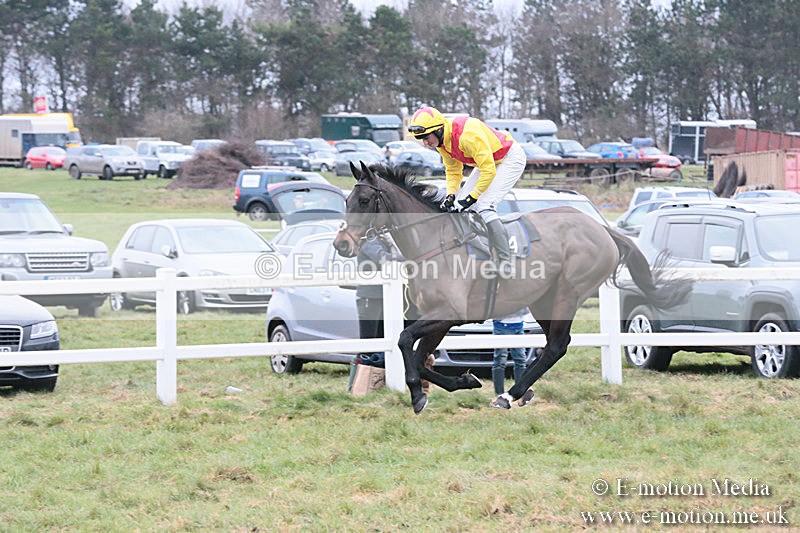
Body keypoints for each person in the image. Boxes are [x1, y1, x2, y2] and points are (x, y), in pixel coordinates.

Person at [407, 106, 527, 276]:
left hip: (509, 158)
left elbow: (488, 171)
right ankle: (476, 250)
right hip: (489, 162)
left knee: (484, 205)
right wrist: (451, 195)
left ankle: (505, 261)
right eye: (421, 139)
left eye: (426, 137)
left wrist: (472, 198)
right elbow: (453, 171)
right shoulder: (442, 143)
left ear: (439, 130)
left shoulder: (466, 137)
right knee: (458, 205)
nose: (425, 143)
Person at [491, 307, 528, 397]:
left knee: (521, 359)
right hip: (501, 326)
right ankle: (499, 394)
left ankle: (520, 392)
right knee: (500, 360)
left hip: (519, 325)